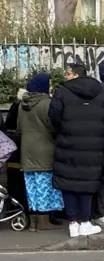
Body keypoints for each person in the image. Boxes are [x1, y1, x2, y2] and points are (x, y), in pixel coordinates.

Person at [49, 63, 103, 237]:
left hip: (67, 142)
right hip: (94, 145)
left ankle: (73, 223)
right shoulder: (100, 92)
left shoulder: (62, 92)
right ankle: (85, 222)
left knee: (68, 182)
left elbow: (54, 116)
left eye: (68, 73)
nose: (65, 76)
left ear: (77, 75)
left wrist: (64, 129)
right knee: (87, 183)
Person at [18, 73, 64, 232]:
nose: (51, 87)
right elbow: (54, 126)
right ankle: (44, 222)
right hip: (45, 151)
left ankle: (33, 222)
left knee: (32, 187)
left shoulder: (22, 104)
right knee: (45, 187)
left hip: (27, 151)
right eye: (49, 84)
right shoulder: (47, 103)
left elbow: (18, 127)